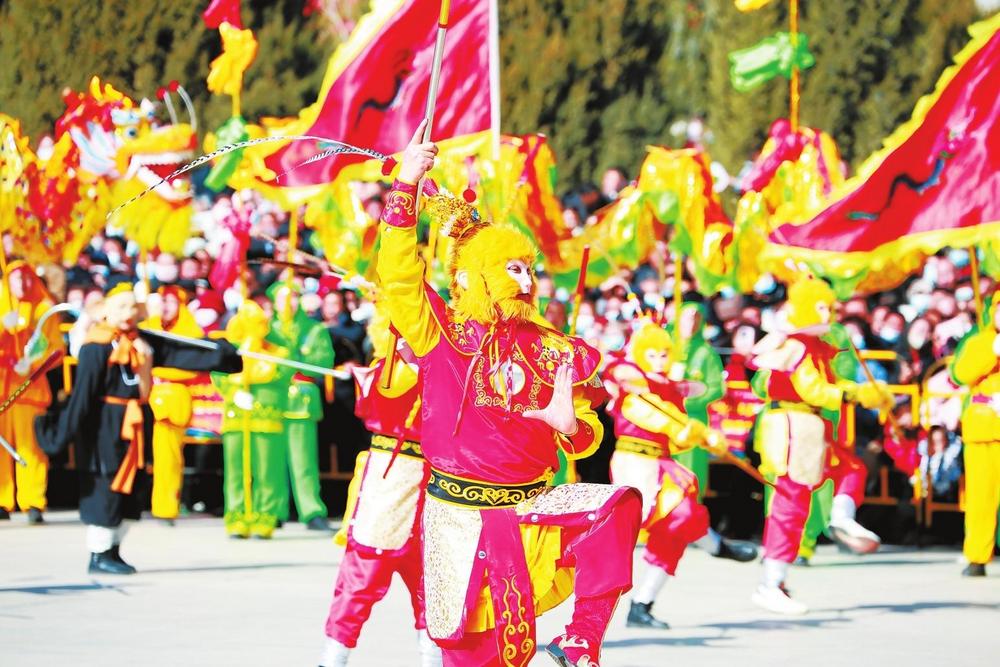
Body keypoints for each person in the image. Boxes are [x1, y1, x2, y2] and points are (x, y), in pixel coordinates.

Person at [376, 123, 641, 667]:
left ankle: (581, 641)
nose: (524, 281)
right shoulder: (440, 332)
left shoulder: (553, 348)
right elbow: (399, 276)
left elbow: (586, 434)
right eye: (511, 269)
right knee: (475, 653)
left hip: (530, 510)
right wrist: (405, 184)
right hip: (460, 517)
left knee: (615, 508)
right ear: (471, 277)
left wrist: (571, 427)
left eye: (528, 269)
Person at [35, 282, 240, 573]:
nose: (128, 313)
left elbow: (182, 352)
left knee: (133, 486)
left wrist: (223, 354)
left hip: (137, 423)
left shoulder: (143, 341)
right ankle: (99, 553)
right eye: (121, 307)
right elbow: (82, 396)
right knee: (107, 485)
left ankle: (114, 548)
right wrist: (62, 432)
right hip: (105, 426)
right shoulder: (96, 346)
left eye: (133, 306)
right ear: (106, 311)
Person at [748, 277, 891, 613]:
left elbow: (827, 382)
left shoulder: (816, 345)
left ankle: (841, 516)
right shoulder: (795, 345)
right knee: (791, 504)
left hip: (812, 426)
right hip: (792, 427)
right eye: (821, 307)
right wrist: (855, 393)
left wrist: (864, 391)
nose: (828, 314)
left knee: (851, 468)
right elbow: (810, 387)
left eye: (830, 307)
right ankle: (772, 583)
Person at [604, 322, 754, 630]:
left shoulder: (666, 387)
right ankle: (715, 545)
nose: (659, 361)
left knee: (679, 524)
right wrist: (694, 431)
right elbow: (656, 418)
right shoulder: (632, 387)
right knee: (679, 516)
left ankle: (643, 604)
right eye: (652, 355)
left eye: (664, 354)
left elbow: (675, 431)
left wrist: (700, 435)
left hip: (661, 462)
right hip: (635, 465)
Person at [320, 312, 440, 667]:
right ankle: (332, 659)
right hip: (390, 480)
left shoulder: (443, 369)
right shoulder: (384, 371)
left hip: (434, 483)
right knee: (362, 574)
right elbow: (373, 403)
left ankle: (433, 660)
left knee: (435, 584)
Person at [212, 301, 293, 539]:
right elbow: (218, 374)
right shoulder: (231, 352)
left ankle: (264, 518)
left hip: (266, 418)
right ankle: (237, 518)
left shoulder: (278, 352)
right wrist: (234, 390)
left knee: (268, 471)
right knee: (235, 471)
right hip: (236, 417)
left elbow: (279, 373)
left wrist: (253, 361)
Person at [267, 282, 334, 531]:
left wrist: (295, 357)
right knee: (271, 461)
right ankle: (272, 509)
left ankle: (311, 510)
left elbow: (323, 361)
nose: (289, 303)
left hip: (301, 400)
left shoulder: (314, 329)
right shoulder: (267, 328)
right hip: (272, 398)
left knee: (303, 460)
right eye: (283, 297)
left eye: (294, 297)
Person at [0, 261, 64, 523]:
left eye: (27, 277)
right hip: (2, 389)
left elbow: (56, 350)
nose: (23, 283)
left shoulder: (44, 309)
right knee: (2, 448)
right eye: (17, 278)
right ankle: (2, 500)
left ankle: (33, 501)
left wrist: (33, 362)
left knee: (31, 448)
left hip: (30, 389)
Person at [142, 285, 207, 523]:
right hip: (144, 396)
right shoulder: (148, 326)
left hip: (171, 400)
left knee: (168, 457)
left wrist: (156, 369)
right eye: (162, 301)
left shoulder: (190, 330)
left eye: (170, 301)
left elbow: (192, 366)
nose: (165, 307)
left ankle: (165, 507)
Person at [949, 296, 1000, 577]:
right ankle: (977, 556)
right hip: (983, 429)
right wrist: (991, 351)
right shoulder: (980, 341)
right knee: (981, 497)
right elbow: (960, 374)